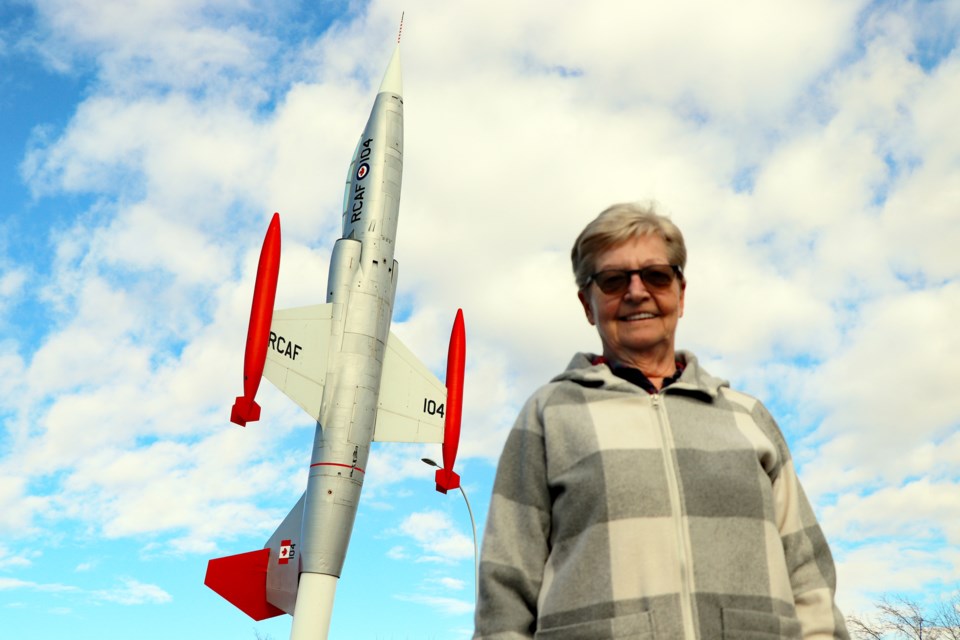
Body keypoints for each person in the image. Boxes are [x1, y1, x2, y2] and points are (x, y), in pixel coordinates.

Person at [474, 203, 848, 639]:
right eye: (613, 280)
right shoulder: (548, 414)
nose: (636, 292)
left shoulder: (747, 416)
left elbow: (809, 579)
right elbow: (505, 591)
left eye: (656, 275)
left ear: (680, 293)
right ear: (587, 303)